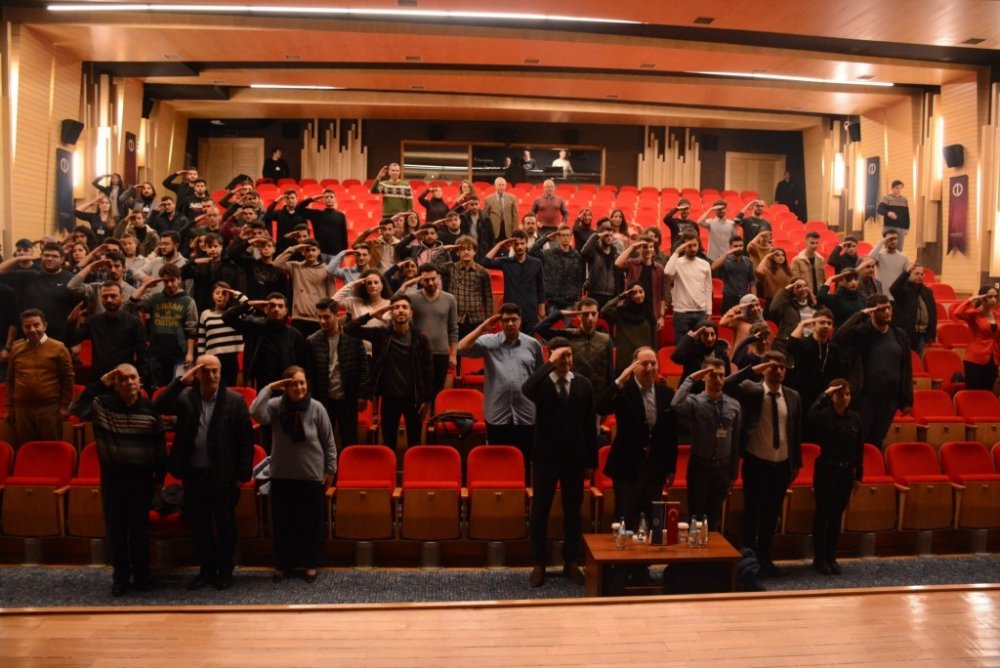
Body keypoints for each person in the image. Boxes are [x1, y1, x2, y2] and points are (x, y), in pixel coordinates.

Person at [153, 356, 254, 591]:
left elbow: (245, 440)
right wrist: (181, 381)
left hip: (224, 475)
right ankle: (206, 571)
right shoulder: (186, 397)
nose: (211, 375)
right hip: (194, 474)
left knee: (226, 525)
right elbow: (159, 406)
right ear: (197, 373)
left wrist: (242, 474)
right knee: (199, 526)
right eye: (205, 371)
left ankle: (225, 571)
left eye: (215, 370)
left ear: (221, 372)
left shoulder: (235, 400)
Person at [69, 364, 166, 597]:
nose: (129, 382)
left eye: (133, 378)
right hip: (114, 480)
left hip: (142, 480)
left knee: (139, 531)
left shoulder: (151, 409)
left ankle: (142, 576)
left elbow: (159, 447)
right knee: (116, 531)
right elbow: (75, 407)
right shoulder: (103, 406)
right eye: (122, 379)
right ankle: (120, 578)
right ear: (115, 384)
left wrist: (159, 479)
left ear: (140, 382)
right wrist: (100, 383)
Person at [521, 338, 596, 588]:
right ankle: (539, 563)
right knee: (539, 512)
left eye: (569, 355)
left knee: (573, 513)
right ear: (551, 357)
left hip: (575, 459)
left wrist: (591, 461)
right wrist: (549, 364)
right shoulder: (541, 383)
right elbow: (526, 389)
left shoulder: (583, 384)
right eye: (561, 356)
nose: (566, 360)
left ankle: (571, 562)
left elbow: (590, 426)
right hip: (545, 458)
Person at [250, 366, 337, 584]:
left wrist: (330, 469)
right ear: (285, 386)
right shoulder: (275, 406)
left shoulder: (317, 408)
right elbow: (255, 412)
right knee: (283, 524)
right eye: (293, 383)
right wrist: (269, 388)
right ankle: (283, 563)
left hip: (311, 475)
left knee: (310, 523)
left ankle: (311, 563)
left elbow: (328, 441)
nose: (299, 387)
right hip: (282, 475)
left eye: (302, 383)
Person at [724, 352, 802, 576]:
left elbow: (796, 431)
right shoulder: (752, 390)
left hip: (782, 464)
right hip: (756, 461)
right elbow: (728, 384)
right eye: (773, 367)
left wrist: (796, 463)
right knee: (752, 513)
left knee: (771, 515)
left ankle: (765, 558)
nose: (779, 371)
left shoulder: (793, 396)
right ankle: (749, 561)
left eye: (782, 367)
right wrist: (753, 370)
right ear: (764, 368)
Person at [457, 305, 543, 481]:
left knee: (524, 459)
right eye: (506, 320)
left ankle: (523, 492)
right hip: (497, 412)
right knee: (497, 458)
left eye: (514, 320)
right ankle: (500, 490)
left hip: (526, 412)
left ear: (520, 321)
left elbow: (540, 377)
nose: (510, 323)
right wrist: (483, 327)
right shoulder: (489, 341)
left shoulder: (533, 345)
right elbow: (461, 348)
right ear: (500, 322)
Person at [598, 347, 677, 530]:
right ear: (633, 367)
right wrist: (619, 380)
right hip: (627, 467)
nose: (649, 368)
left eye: (653, 363)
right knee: (626, 521)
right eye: (644, 364)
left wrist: (670, 468)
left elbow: (671, 434)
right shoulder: (623, 390)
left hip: (655, 468)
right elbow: (601, 407)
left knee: (653, 523)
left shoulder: (666, 393)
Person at [344, 295, 434, 450]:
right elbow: (348, 329)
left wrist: (427, 400)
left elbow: (428, 370)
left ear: (411, 313)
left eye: (404, 307)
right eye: (396, 307)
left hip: (413, 399)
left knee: (414, 442)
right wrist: (372, 315)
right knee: (388, 443)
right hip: (389, 398)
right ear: (391, 313)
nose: (400, 310)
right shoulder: (382, 334)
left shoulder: (420, 338)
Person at [832, 296, 913, 448]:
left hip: (890, 399)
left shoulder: (899, 335)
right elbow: (838, 337)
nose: (887, 312)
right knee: (859, 440)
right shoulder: (862, 332)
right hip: (865, 397)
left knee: (877, 441)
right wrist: (860, 314)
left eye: (889, 308)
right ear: (872, 312)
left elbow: (907, 368)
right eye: (882, 309)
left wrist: (907, 400)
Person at [671, 358, 742, 530]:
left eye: (721, 375)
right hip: (699, 467)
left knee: (714, 515)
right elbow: (675, 404)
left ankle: (711, 547)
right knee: (695, 515)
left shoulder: (734, 405)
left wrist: (733, 473)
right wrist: (691, 379)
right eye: (712, 375)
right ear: (704, 377)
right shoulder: (694, 402)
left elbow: (736, 442)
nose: (718, 379)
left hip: (722, 468)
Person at [806, 379, 863, 576]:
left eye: (847, 394)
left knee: (837, 515)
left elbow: (859, 448)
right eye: (840, 394)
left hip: (845, 471)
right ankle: (819, 558)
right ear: (833, 396)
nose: (844, 398)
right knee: (823, 514)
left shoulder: (855, 419)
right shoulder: (824, 416)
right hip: (826, 469)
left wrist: (859, 474)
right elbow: (810, 415)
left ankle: (831, 556)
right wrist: (826, 394)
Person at [306, 298, 370, 448]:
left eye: (326, 317)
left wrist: (362, 395)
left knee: (349, 439)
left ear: (337, 316)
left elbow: (364, 368)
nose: (322, 321)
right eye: (319, 317)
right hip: (323, 399)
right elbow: (309, 374)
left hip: (348, 398)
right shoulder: (312, 341)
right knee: (323, 442)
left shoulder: (353, 338)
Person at [4, 309, 74, 446]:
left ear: (44, 326)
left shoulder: (59, 348)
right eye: (27, 326)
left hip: (49, 410)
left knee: (50, 449)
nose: (32, 330)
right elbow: (10, 380)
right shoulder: (16, 348)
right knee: (26, 450)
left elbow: (68, 379)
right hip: (22, 410)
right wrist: (8, 407)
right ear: (23, 328)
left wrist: (64, 406)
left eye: (36, 325)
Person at [392, 263, 458, 401]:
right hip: (418, 351)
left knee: (437, 391)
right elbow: (393, 304)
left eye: (433, 279)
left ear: (439, 277)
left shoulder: (449, 299)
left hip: (441, 352)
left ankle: (434, 415)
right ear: (420, 280)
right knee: (418, 391)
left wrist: (453, 354)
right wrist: (405, 286)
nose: (430, 282)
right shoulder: (412, 298)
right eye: (426, 280)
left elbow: (453, 328)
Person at [221, 290, 310, 391]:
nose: (276, 309)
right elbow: (227, 317)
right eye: (272, 306)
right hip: (263, 387)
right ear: (266, 309)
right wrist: (250, 304)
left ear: (286, 311)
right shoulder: (255, 328)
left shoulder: (295, 335)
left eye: (280, 306)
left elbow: (302, 365)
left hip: (288, 386)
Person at [126, 263, 198, 387]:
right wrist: (146, 286)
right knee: (157, 388)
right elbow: (132, 302)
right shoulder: (155, 298)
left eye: (172, 280)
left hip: (178, 351)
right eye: (165, 281)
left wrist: (190, 353)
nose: (169, 284)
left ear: (179, 279)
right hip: (156, 351)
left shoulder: (188, 301)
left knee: (176, 387)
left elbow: (191, 329)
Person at [65, 281, 148, 387]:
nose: (109, 300)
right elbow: (71, 340)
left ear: (122, 297)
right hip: (99, 379)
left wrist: (141, 380)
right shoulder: (93, 322)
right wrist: (71, 323)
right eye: (105, 297)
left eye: (113, 296)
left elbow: (142, 354)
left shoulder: (134, 322)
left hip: (124, 379)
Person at [535, 297, 614, 399]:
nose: (590, 318)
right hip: (573, 394)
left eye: (593, 314)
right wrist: (561, 313)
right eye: (586, 314)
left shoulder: (606, 340)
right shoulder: (568, 335)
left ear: (598, 315)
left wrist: (608, 398)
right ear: (579, 315)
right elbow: (540, 328)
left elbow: (610, 373)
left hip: (598, 396)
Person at [0, 241, 78, 343]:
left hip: (60, 336)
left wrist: (75, 341)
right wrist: (19, 258)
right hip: (30, 336)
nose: (49, 259)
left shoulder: (70, 279)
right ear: (41, 257)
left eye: (54, 256)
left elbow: (78, 309)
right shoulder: (30, 276)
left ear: (62, 259)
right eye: (46, 255)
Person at [479, 230, 544, 332]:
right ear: (512, 245)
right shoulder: (506, 262)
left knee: (528, 340)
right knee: (510, 340)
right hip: (510, 311)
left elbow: (540, 287)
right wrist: (500, 245)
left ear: (526, 243)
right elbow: (485, 262)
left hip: (530, 311)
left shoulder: (537, 263)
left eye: (522, 243)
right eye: (516, 244)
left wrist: (542, 309)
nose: (519, 247)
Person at [785, 308, 846, 410]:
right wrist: (802, 324)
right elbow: (790, 347)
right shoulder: (803, 344)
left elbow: (837, 373)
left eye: (829, 323)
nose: (826, 326)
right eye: (822, 322)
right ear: (813, 325)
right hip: (803, 396)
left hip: (825, 397)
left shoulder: (834, 349)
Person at [273, 239, 334, 337]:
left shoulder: (327, 269)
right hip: (298, 318)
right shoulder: (296, 267)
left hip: (318, 318)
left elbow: (331, 294)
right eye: (307, 250)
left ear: (319, 251)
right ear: (302, 252)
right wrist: (293, 249)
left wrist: (328, 316)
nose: (310, 253)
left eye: (313, 250)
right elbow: (276, 264)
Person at [663, 234, 712, 343]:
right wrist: (676, 252)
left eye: (695, 245)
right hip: (681, 312)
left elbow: (708, 289)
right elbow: (667, 272)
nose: (692, 248)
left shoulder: (705, 264)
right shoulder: (677, 262)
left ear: (699, 246)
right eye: (689, 245)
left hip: (700, 312)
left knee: (699, 346)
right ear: (683, 247)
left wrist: (709, 310)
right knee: (682, 346)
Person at [951, 286, 1000, 391]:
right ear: (982, 298)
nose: (993, 300)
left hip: (993, 360)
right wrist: (971, 299)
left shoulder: (997, 315)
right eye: (990, 297)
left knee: (987, 393)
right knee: (973, 393)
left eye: (996, 297)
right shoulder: (974, 314)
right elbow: (957, 313)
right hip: (975, 359)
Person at [196, 281, 244, 387]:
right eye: (217, 293)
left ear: (229, 296)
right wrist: (201, 361)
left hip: (233, 358)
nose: (220, 296)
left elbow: (249, 308)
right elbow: (201, 340)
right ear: (212, 295)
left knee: (231, 389)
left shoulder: (236, 312)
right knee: (213, 388)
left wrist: (236, 294)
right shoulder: (205, 314)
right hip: (212, 359)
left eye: (224, 293)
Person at [601, 283, 656, 375]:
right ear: (629, 295)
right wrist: (621, 296)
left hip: (643, 357)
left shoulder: (648, 312)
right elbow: (604, 310)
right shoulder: (621, 311)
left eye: (641, 292)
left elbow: (654, 339)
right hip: (625, 358)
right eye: (634, 293)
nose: (638, 295)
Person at [529, 225, 583, 315]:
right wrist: (546, 238)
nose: (565, 238)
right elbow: (532, 252)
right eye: (563, 235)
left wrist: (578, 299)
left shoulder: (576, 256)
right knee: (551, 322)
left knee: (568, 324)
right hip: (552, 298)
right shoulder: (550, 254)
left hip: (569, 299)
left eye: (567, 235)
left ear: (571, 237)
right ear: (558, 237)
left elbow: (579, 279)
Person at [889, 263, 937, 354]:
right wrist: (906, 273)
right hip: (906, 333)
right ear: (909, 275)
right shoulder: (903, 289)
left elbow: (932, 312)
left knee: (918, 359)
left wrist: (932, 333)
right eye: (916, 274)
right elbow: (893, 289)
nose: (920, 276)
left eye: (922, 274)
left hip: (922, 334)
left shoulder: (927, 291)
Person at [671, 320, 731, 386]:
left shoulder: (722, 351)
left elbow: (727, 375)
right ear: (699, 336)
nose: (710, 339)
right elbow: (676, 358)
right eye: (705, 335)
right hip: (693, 389)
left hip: (714, 389)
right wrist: (693, 335)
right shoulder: (692, 350)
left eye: (712, 334)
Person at [579, 221, 621, 309]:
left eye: (611, 236)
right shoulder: (594, 251)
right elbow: (584, 253)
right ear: (601, 235)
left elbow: (620, 275)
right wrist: (596, 235)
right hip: (595, 293)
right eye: (606, 235)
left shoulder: (615, 253)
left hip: (611, 295)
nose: (609, 238)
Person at [713, 235, 756, 312]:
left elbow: (752, 282)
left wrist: (754, 298)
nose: (738, 248)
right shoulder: (725, 260)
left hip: (744, 297)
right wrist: (727, 253)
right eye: (735, 246)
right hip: (729, 298)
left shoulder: (748, 262)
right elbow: (713, 267)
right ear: (730, 247)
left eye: (741, 245)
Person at [300, 189, 349, 256]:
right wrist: (311, 199)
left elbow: (343, 235)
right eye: (326, 197)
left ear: (335, 199)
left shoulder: (340, 215)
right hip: (321, 252)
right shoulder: (316, 214)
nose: (329, 198)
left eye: (331, 197)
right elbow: (298, 209)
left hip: (336, 253)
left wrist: (344, 252)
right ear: (323, 200)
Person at [867, 229, 908, 300]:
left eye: (895, 239)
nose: (893, 241)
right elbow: (869, 258)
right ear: (885, 240)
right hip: (882, 296)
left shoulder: (904, 257)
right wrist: (882, 242)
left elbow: (905, 277)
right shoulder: (879, 256)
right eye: (890, 239)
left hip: (897, 297)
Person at [480, 177, 518, 249]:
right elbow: (484, 217)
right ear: (495, 186)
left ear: (505, 186)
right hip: (494, 231)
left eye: (503, 185)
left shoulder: (512, 198)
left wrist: (515, 232)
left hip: (507, 231)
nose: (501, 187)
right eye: (499, 185)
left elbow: (515, 216)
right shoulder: (488, 199)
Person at [790, 231, 826, 296]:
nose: (815, 246)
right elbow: (796, 282)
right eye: (812, 243)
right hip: (804, 295)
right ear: (805, 243)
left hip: (819, 295)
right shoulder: (796, 260)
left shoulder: (821, 259)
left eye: (817, 243)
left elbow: (824, 280)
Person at [877, 179, 910, 249]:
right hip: (889, 227)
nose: (899, 190)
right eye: (897, 188)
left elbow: (906, 215)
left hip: (901, 228)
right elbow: (879, 209)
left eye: (900, 188)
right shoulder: (887, 198)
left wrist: (907, 227)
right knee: (889, 248)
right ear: (892, 188)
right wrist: (888, 213)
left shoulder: (904, 199)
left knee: (899, 248)